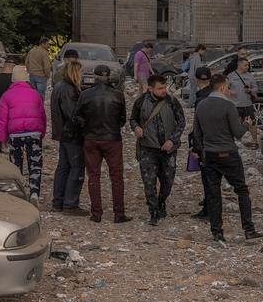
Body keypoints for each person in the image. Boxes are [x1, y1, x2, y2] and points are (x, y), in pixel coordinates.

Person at [192, 74, 263, 243]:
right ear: (223, 88)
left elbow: (196, 133)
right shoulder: (228, 106)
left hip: (209, 155)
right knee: (241, 190)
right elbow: (238, 133)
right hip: (228, 153)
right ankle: (248, 229)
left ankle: (217, 232)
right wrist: (246, 124)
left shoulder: (201, 105)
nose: (231, 91)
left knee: (213, 194)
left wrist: (201, 151)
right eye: (229, 87)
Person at [75, 65, 131, 224]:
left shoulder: (85, 94)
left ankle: (96, 213)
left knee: (93, 175)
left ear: (95, 76)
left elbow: (77, 117)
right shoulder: (118, 95)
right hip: (112, 138)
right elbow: (122, 119)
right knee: (116, 176)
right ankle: (119, 213)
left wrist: (87, 126)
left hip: (91, 138)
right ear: (108, 77)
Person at [131, 74, 186, 226]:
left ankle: (161, 202)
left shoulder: (172, 101)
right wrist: (136, 127)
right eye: (160, 88)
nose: (163, 91)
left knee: (167, 181)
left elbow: (181, 122)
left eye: (164, 87)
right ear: (150, 88)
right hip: (147, 148)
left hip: (168, 150)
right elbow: (133, 119)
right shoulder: (141, 101)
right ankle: (153, 211)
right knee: (149, 182)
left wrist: (172, 140)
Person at [0, 66, 46, 206]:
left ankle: (19, 192)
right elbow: (42, 116)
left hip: (15, 134)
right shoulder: (35, 94)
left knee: (16, 164)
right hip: (34, 133)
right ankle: (34, 192)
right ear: (27, 79)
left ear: (13, 80)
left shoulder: (7, 95)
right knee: (35, 163)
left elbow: (1, 119)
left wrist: (2, 139)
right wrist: (41, 133)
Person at [50, 60, 88, 215]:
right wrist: (85, 124)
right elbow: (72, 114)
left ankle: (59, 202)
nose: (82, 74)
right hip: (71, 134)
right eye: (80, 71)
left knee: (63, 167)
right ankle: (70, 203)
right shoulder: (69, 89)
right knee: (76, 167)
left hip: (63, 133)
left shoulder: (60, 86)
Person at [189, 66, 214, 220]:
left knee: (208, 178)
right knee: (212, 178)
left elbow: (199, 126)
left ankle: (209, 209)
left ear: (197, 80)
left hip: (205, 143)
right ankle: (209, 206)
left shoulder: (200, 100)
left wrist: (195, 146)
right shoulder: (215, 95)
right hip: (217, 141)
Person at [227, 58, 260, 148]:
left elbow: (256, 88)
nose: (248, 67)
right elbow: (225, 88)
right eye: (246, 65)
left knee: (252, 123)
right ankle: (234, 142)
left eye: (248, 65)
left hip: (247, 104)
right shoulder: (231, 76)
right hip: (235, 105)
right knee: (235, 124)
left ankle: (255, 141)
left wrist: (250, 90)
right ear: (239, 65)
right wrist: (230, 91)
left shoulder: (250, 76)